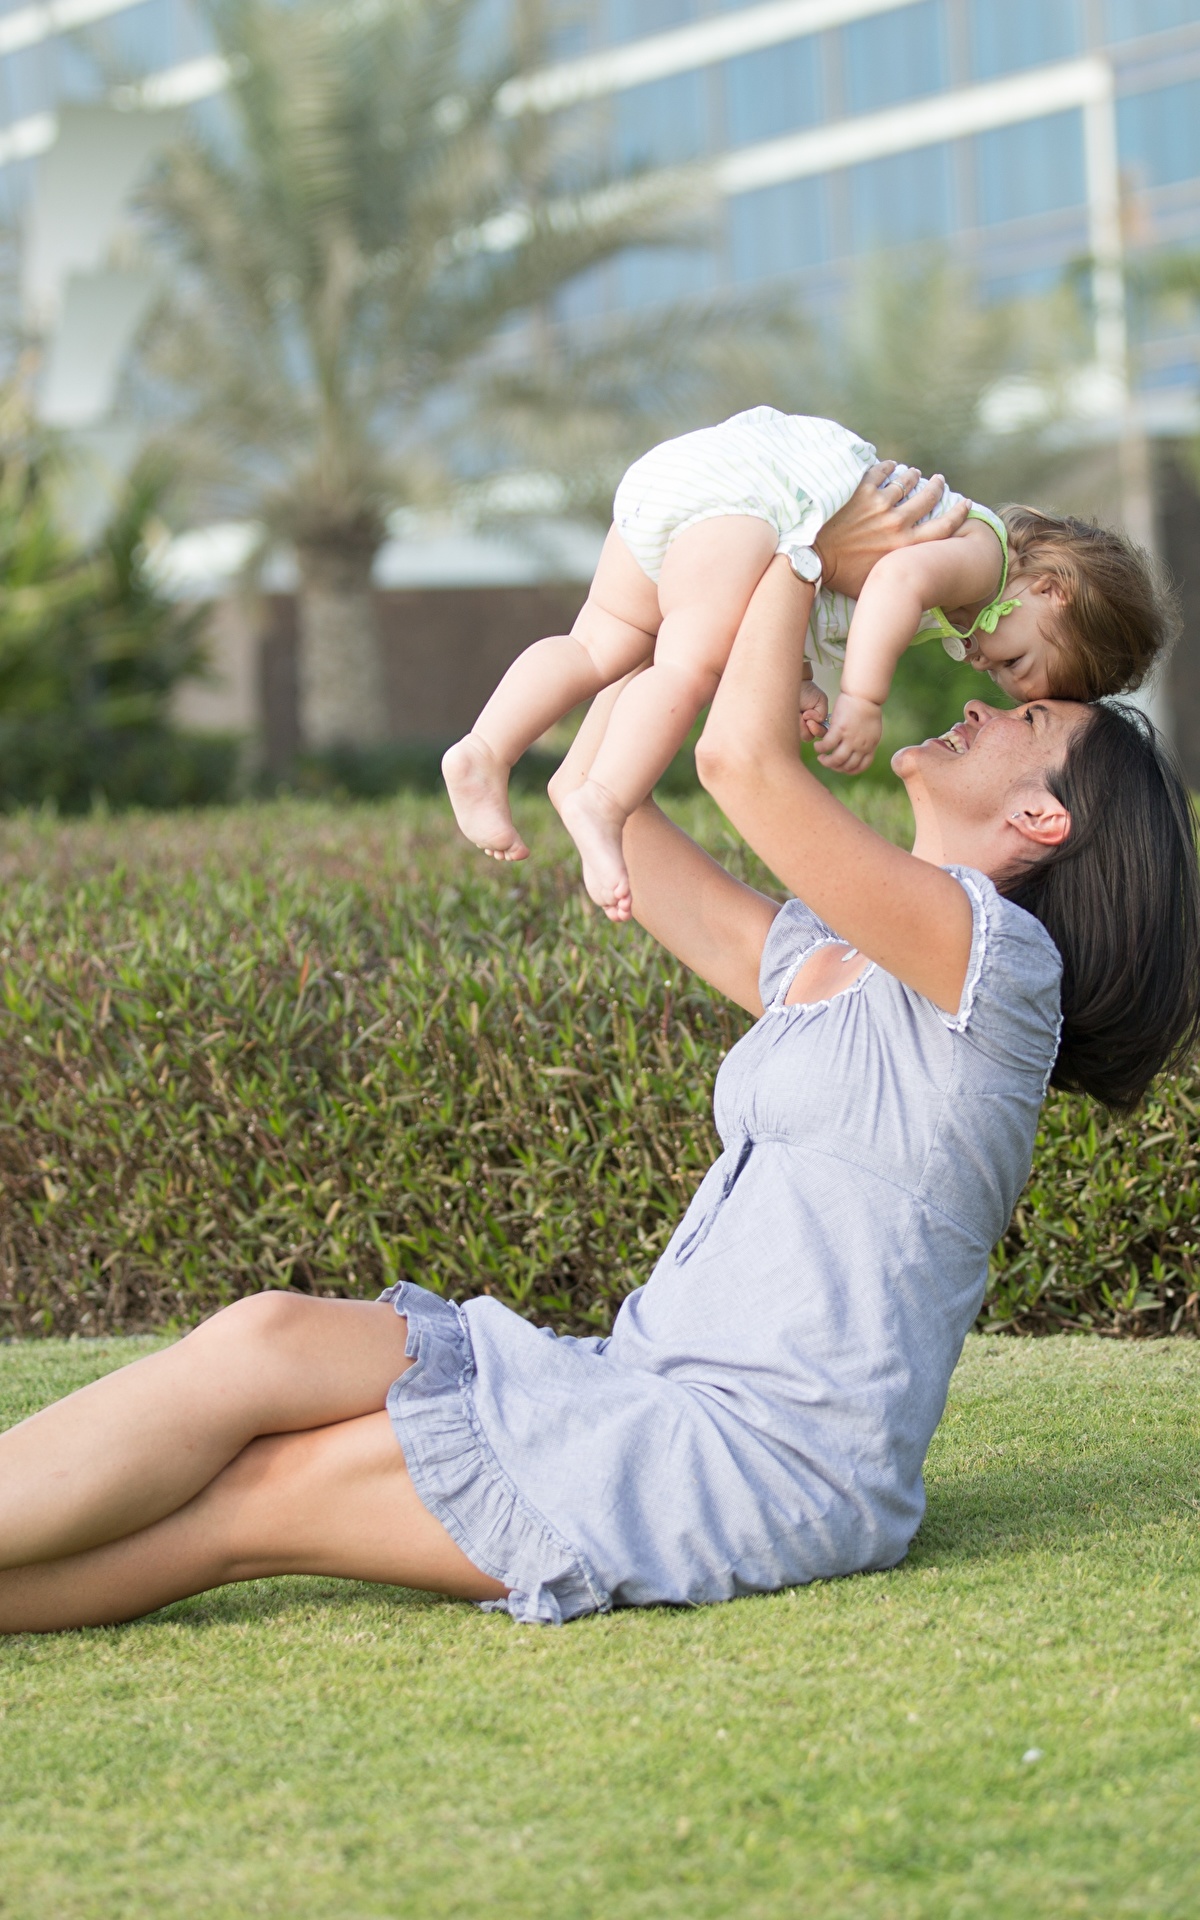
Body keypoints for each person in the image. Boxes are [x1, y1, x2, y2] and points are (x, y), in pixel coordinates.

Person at [2, 466, 1198, 1635]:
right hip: (637, 1376)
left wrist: (801, 523)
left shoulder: (1000, 975)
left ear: (1044, 819)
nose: (983, 702)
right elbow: (616, 796)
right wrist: (710, 607)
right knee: (264, 1336)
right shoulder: (837, 963)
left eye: (1027, 717)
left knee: (260, 1502)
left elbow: (739, 769)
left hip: (759, 1458)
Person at [442, 407, 1173, 920]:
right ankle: (602, 799)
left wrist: (797, 680)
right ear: (1053, 589)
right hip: (756, 501)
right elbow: (888, 580)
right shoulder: (984, 558)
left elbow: (816, 590)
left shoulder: (973, 596)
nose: (988, 670)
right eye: (1017, 663)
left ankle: (485, 749)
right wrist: (860, 697)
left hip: (697, 489)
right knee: (689, 667)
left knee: (601, 644)